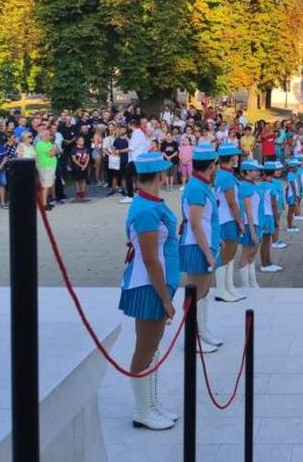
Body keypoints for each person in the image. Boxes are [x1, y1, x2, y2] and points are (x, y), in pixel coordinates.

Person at [118, 152, 180, 431]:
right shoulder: (145, 210)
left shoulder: (151, 203)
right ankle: (142, 410)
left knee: (153, 347)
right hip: (148, 285)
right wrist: (166, 299)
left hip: (156, 283)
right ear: (159, 175)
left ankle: (151, 403)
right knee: (145, 349)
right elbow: (150, 258)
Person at [178, 145, 221, 353]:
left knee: (203, 293)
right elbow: (195, 224)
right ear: (211, 165)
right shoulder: (196, 187)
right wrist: (208, 254)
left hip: (204, 244)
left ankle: (202, 331)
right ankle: (192, 338)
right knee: (195, 294)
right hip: (196, 247)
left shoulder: (202, 185)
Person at [213, 144, 245, 303]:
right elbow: (232, 203)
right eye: (236, 156)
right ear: (231, 158)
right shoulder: (226, 177)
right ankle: (221, 290)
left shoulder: (224, 174)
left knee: (230, 256)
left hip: (226, 219)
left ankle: (229, 286)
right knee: (226, 255)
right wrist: (240, 222)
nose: (238, 158)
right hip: (227, 220)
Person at [236, 159, 264, 288]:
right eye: (255, 170)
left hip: (257, 223)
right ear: (248, 171)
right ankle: (245, 285)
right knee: (246, 254)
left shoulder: (253, 185)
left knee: (252, 255)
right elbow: (248, 211)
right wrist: (252, 231)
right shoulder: (245, 186)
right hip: (249, 225)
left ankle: (253, 282)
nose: (258, 172)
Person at [258, 162, 282, 274]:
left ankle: (268, 262)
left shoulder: (260, 185)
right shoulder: (272, 186)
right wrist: (277, 219)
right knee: (266, 242)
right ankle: (264, 264)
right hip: (269, 215)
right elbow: (274, 205)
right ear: (273, 173)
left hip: (262, 215)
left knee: (266, 241)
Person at [35, 128, 58, 211]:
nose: (50, 136)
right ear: (44, 136)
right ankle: (44, 204)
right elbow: (51, 154)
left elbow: (54, 153)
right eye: (48, 134)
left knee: (48, 185)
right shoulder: (40, 144)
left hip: (50, 166)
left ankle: (46, 201)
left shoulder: (48, 143)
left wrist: (53, 149)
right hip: (45, 167)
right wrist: (54, 148)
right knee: (45, 185)